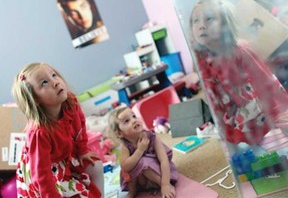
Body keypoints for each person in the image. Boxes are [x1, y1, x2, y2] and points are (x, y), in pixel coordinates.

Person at [189, 0, 288, 145]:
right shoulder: (203, 62)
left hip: (264, 117)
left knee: (276, 149)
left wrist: (280, 116)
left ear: (225, 24)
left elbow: (267, 83)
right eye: (195, 21)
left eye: (209, 19)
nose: (201, 26)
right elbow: (215, 99)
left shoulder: (240, 51)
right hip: (237, 122)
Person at [12, 62, 103, 197]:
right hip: (42, 170)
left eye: (54, 75)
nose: (55, 82)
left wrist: (82, 150)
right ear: (35, 99)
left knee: (96, 164)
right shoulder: (39, 132)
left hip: (63, 156)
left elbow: (80, 127)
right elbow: (41, 175)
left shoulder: (70, 103)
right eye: (44, 83)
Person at [108, 107, 178, 198]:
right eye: (126, 121)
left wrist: (165, 184)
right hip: (141, 182)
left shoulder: (152, 137)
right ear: (119, 133)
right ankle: (133, 192)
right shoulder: (125, 146)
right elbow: (125, 166)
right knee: (127, 169)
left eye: (134, 116)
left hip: (159, 174)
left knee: (143, 162)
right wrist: (139, 150)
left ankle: (163, 184)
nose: (133, 121)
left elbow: (163, 160)